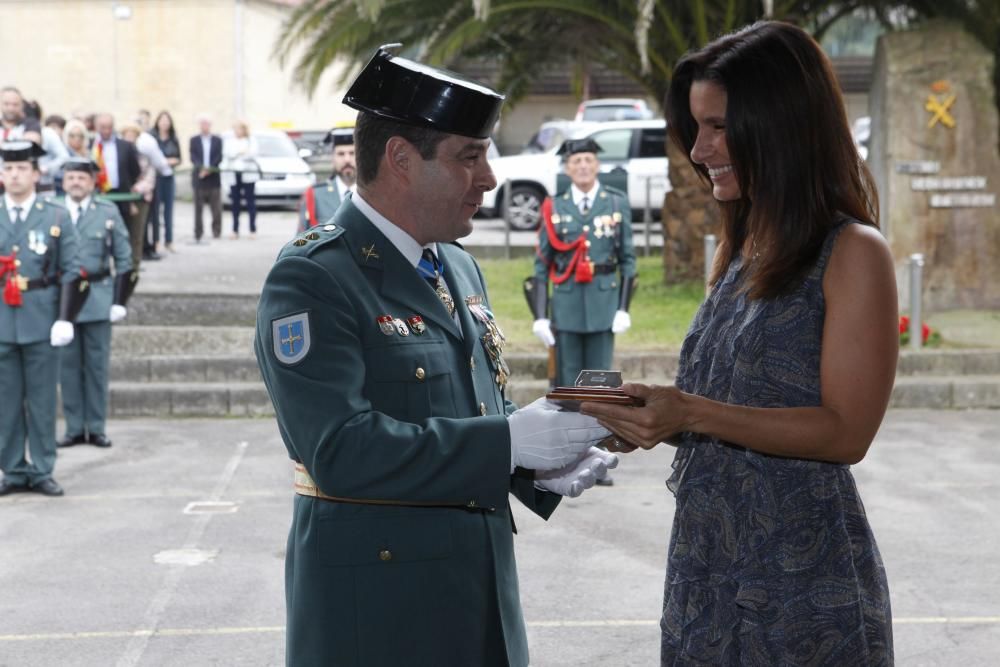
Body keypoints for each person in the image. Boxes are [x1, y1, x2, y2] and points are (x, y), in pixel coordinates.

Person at [255, 45, 617, 667]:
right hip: (378, 610)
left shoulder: (456, 263)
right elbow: (340, 451)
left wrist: (537, 464)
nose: (490, 179)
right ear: (400, 159)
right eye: (468, 157)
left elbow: (474, 405)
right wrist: (509, 444)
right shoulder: (316, 279)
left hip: (478, 598)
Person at [580, 21, 896, 665]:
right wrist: (651, 419)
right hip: (706, 576)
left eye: (719, 127)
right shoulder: (739, 246)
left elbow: (846, 433)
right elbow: (725, 404)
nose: (699, 149)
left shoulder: (854, 253)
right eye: (696, 127)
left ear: (782, 124)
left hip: (803, 594)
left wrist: (690, 412)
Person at [0, 141, 88, 497]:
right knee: (5, 402)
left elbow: (73, 270)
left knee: (40, 400)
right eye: (8, 169)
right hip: (2, 323)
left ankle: (41, 468)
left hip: (41, 319)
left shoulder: (54, 216)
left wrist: (65, 318)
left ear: (36, 174)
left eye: (22, 168)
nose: (14, 174)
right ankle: (13, 470)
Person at [529, 138, 638, 387]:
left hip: (604, 304)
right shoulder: (554, 205)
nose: (583, 166)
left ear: (597, 165)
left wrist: (623, 309)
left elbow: (627, 259)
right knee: (567, 381)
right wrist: (540, 316)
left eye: (588, 160)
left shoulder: (615, 202)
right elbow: (542, 264)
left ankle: (598, 427)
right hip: (566, 306)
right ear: (567, 168)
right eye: (576, 161)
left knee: (600, 381)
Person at [56, 158, 135, 450]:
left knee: (96, 367)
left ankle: (97, 427)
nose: (76, 182)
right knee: (68, 368)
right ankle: (74, 427)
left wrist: (119, 300)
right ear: (64, 181)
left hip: (97, 297)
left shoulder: (107, 211)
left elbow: (125, 258)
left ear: (92, 182)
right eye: (71, 177)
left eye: (81, 177)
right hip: (63, 302)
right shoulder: (53, 210)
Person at [92, 113, 143, 269]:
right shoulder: (92, 147)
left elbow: (135, 169)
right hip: (101, 193)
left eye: (109, 127)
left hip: (122, 193)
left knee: (124, 230)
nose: (106, 131)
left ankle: (126, 265)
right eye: (102, 128)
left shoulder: (125, 146)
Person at [120, 123, 169, 260]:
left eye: (133, 136)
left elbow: (150, 176)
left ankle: (136, 260)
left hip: (140, 196)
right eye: (127, 136)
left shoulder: (143, 155)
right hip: (123, 197)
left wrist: (136, 189)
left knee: (138, 232)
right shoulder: (120, 155)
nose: (130, 138)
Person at [296, 124, 356, 233]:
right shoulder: (315, 195)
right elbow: (301, 242)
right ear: (333, 158)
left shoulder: (374, 195)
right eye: (341, 154)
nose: (347, 159)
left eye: (352, 153)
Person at [189, 114, 223, 243]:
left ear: (210, 125)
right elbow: (193, 156)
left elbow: (219, 156)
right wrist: (201, 168)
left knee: (216, 208)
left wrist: (209, 169)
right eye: (202, 123)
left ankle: (216, 231)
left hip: (213, 178)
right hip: (199, 178)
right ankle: (198, 232)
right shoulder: (194, 140)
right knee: (198, 208)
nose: (205, 126)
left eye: (207, 123)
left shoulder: (217, 140)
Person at [222, 120, 258, 239]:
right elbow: (228, 154)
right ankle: (235, 230)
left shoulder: (251, 140)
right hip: (234, 174)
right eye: (235, 129)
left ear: (244, 129)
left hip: (248, 175)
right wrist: (241, 153)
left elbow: (252, 154)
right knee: (235, 203)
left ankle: (252, 229)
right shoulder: (230, 141)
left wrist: (240, 154)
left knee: (250, 203)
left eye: (239, 128)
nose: (237, 131)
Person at [150, 111, 181, 252]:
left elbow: (179, 158)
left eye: (167, 121)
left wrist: (169, 161)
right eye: (162, 120)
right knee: (155, 211)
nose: (164, 123)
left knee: (169, 210)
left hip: (168, 176)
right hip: (155, 177)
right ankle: (156, 241)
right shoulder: (152, 137)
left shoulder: (173, 138)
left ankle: (169, 240)